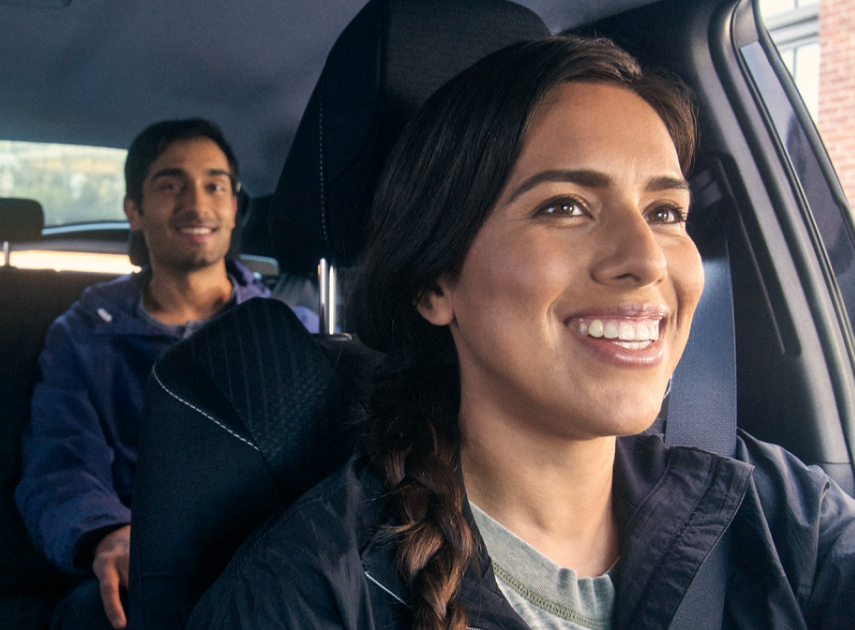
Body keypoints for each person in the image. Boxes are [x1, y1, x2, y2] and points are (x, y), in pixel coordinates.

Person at [187, 37, 855, 629]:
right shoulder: (310, 592)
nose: (647, 257)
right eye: (565, 206)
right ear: (435, 284)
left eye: (665, 210)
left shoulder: (782, 515)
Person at [16, 118, 317, 630]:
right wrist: (105, 533)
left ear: (235, 206)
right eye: (171, 184)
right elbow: (60, 462)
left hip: (265, 562)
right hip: (140, 561)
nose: (197, 205)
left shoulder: (290, 332)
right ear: (133, 209)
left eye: (215, 186)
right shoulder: (84, 335)